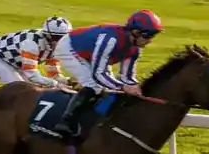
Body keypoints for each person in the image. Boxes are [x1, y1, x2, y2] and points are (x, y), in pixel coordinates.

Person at [47, 10, 163, 138]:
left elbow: (127, 77)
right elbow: (99, 74)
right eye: (148, 36)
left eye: (153, 36)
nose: (150, 41)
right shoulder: (110, 39)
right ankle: (65, 122)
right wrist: (123, 87)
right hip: (69, 47)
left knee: (110, 87)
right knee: (93, 85)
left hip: (91, 53)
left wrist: (137, 89)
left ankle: (99, 118)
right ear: (135, 32)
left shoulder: (135, 49)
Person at [0, 16, 71, 87]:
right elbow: (33, 76)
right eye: (56, 37)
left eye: (63, 37)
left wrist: (67, 81)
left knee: (33, 88)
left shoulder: (54, 45)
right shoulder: (31, 43)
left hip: (17, 62)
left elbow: (53, 74)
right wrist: (56, 84)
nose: (59, 41)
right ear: (47, 35)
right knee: (20, 88)